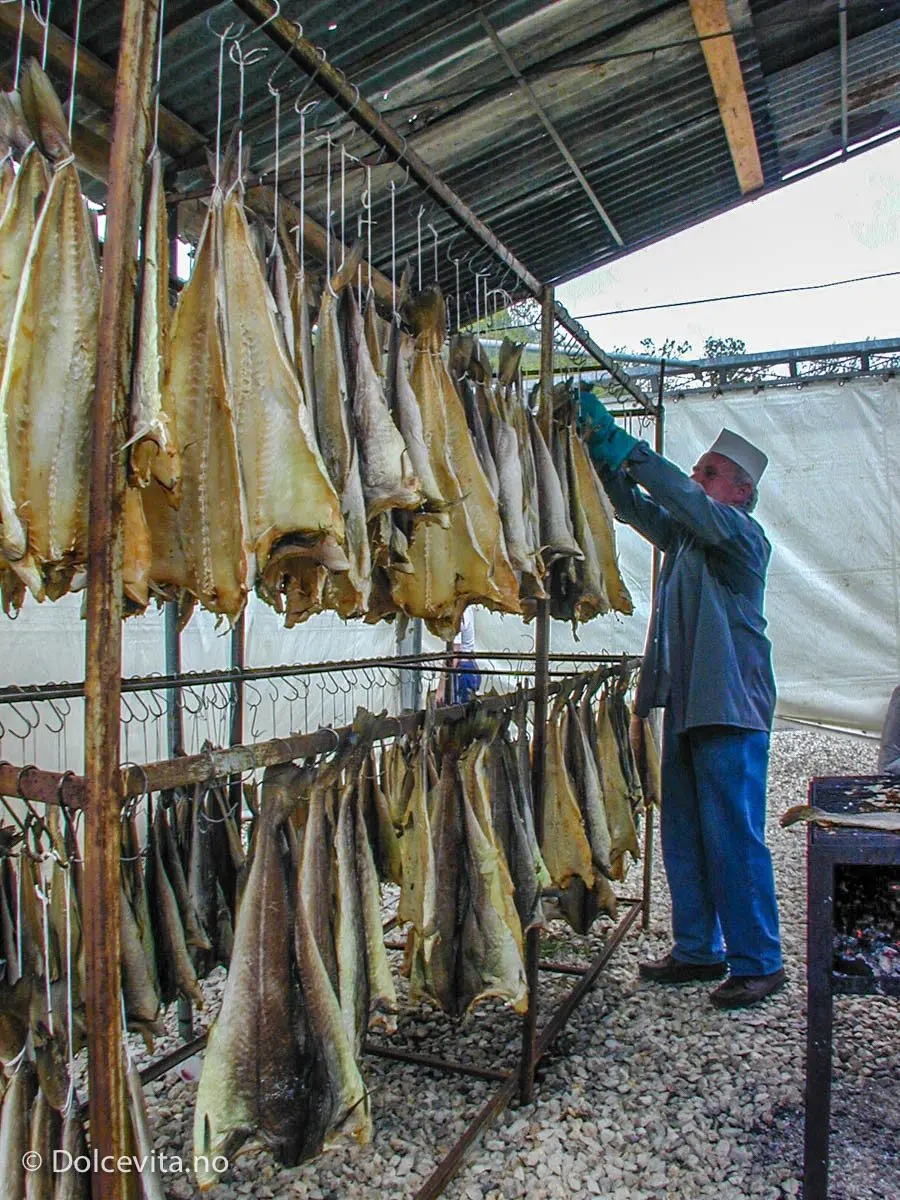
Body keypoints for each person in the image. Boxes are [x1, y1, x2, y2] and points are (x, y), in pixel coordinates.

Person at [579, 392, 785, 1010]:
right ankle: (699, 948)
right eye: (696, 470)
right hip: (689, 703)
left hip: (730, 707)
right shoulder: (692, 539)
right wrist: (609, 469)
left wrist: (630, 449)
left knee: (733, 834)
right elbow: (643, 513)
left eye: (710, 472)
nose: (696, 478)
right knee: (685, 831)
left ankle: (759, 960)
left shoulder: (740, 535)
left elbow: (685, 502)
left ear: (741, 492)